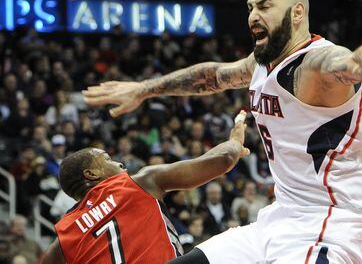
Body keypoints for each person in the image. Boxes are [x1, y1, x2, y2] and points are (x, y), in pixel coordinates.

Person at [83, 0, 362, 262]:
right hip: (279, 218)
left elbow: (351, 61)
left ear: (297, 13)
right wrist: (143, 89)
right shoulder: (261, 64)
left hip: (330, 227)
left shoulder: (315, 64)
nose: (253, 16)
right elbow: (212, 76)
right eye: (250, 7)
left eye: (264, 6)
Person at [41, 111, 249, 263]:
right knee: (236, 239)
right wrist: (236, 139)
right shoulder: (138, 183)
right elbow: (224, 158)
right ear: (92, 174)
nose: (119, 164)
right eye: (108, 159)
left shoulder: (64, 234)